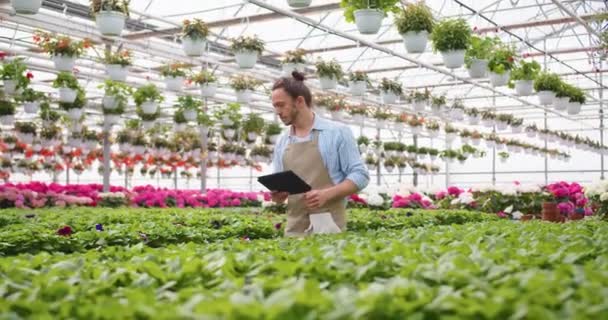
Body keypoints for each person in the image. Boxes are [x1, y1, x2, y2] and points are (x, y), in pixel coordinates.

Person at [270, 71, 369, 236]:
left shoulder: (337, 132)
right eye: (275, 106)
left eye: (281, 105)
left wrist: (327, 194)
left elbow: (360, 175)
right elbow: (280, 184)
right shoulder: (283, 141)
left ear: (300, 101)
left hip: (329, 227)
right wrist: (278, 194)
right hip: (295, 228)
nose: (277, 111)